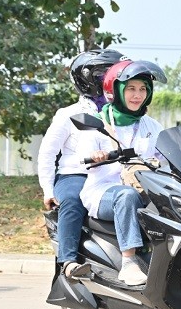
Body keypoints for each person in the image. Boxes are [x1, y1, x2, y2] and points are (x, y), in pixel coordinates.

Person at [37, 48, 126, 278]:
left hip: (113, 176)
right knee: (73, 200)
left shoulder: (122, 113)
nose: (113, 80)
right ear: (88, 79)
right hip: (76, 175)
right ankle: (68, 261)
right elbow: (47, 153)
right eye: (106, 75)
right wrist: (48, 190)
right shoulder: (69, 114)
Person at [78, 60, 167, 286]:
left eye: (143, 89)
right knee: (126, 196)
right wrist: (97, 155)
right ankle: (129, 262)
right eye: (131, 89)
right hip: (104, 191)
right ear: (116, 91)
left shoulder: (151, 126)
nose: (138, 95)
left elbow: (168, 153)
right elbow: (84, 155)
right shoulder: (98, 123)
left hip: (145, 187)